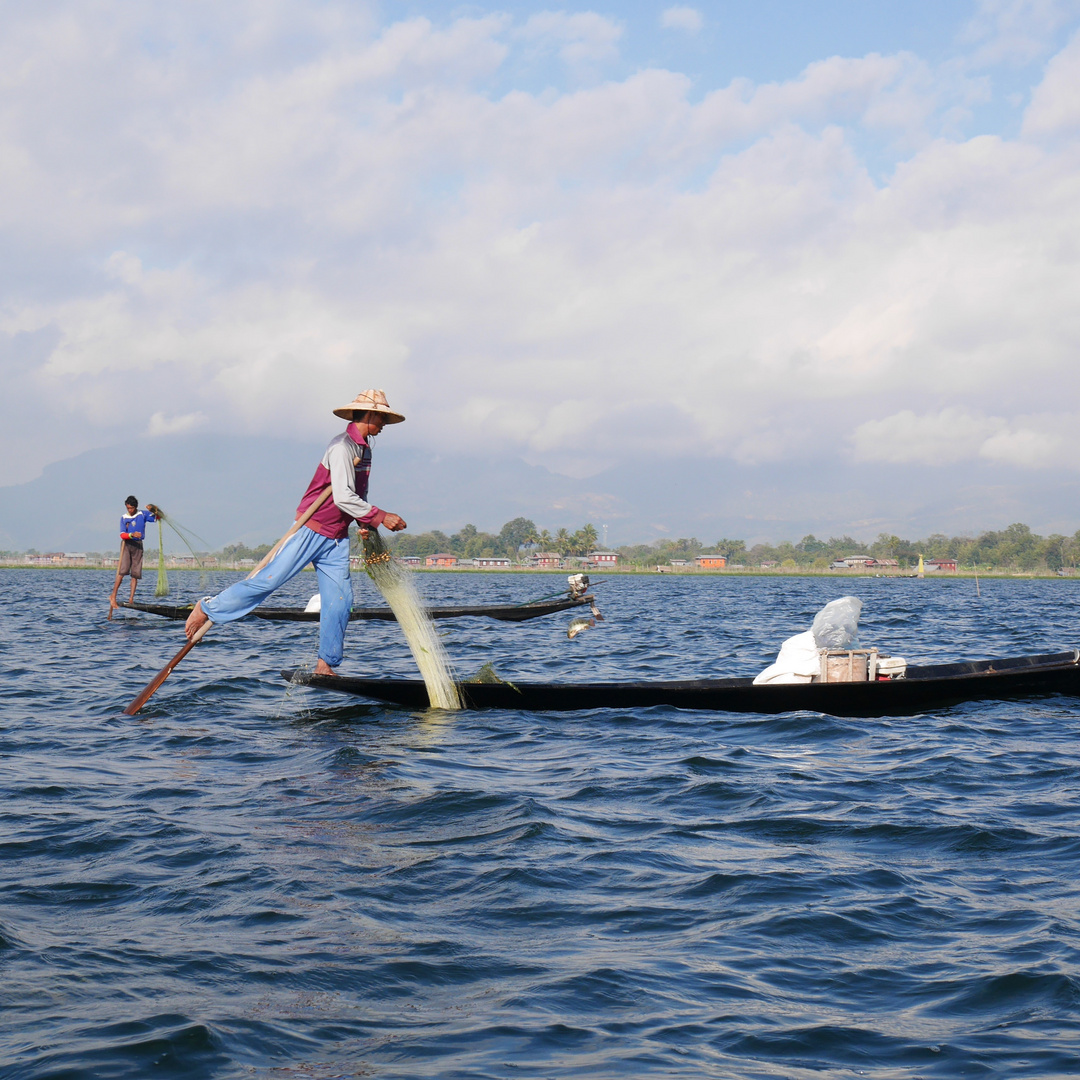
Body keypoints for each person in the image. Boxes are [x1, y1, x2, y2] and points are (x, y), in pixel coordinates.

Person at [184, 390, 408, 676]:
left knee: (340, 602)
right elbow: (341, 496)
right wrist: (379, 517)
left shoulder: (365, 450)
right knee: (268, 581)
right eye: (382, 418)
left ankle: (325, 664)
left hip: (336, 538)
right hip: (311, 530)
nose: (384, 424)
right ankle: (208, 607)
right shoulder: (341, 447)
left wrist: (363, 523)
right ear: (370, 415)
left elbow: (357, 493)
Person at [109, 496, 161, 614]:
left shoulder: (142, 514)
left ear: (135, 507)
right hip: (127, 544)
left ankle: (131, 598)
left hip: (138, 545)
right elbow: (122, 534)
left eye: (132, 508)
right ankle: (113, 596)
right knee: (122, 572)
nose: (130, 510)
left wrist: (154, 510)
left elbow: (157, 517)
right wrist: (132, 535)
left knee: (135, 574)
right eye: (128, 508)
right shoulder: (124, 518)